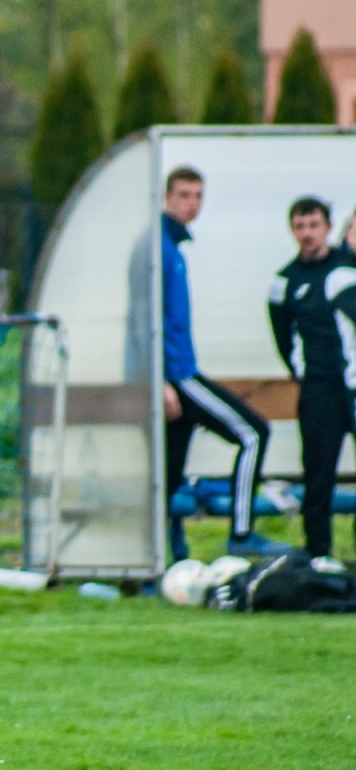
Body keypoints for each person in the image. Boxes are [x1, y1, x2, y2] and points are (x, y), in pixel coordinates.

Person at [157, 166, 287, 561]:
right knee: (254, 434)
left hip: (179, 372)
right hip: (179, 375)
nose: (191, 204)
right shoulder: (159, 249)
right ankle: (242, 534)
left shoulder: (173, 248)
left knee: (169, 473)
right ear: (166, 197)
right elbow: (145, 319)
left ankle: (165, 554)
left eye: (198, 196)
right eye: (183, 195)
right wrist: (162, 380)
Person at [268, 197, 356, 562]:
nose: (307, 234)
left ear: (328, 226)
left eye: (313, 225)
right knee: (318, 475)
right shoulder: (284, 281)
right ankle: (319, 555)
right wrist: (303, 373)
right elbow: (282, 337)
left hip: (352, 386)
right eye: (300, 226)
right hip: (318, 389)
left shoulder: (347, 270)